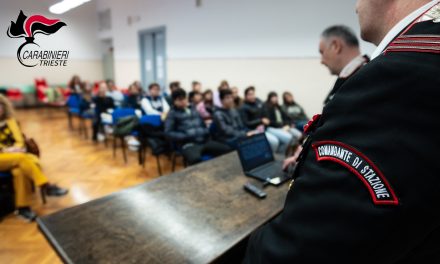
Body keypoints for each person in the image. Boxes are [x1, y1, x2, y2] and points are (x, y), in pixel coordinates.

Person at [244, 0, 440, 263]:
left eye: (322, 51)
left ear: (335, 46)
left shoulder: (396, 75)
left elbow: (303, 249)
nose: (355, 5)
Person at [0, 95, 68, 221]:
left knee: (19, 171)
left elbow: (19, 140)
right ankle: (45, 186)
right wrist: (6, 149)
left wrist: (17, 147)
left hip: (15, 155)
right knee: (22, 158)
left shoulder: (11, 121)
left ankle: (22, 208)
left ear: (4, 107)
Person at [164, 88, 231, 165]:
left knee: (228, 150)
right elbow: (168, 133)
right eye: (180, 99)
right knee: (196, 160)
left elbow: (202, 123)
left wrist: (205, 131)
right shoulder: (172, 114)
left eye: (184, 98)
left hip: (204, 140)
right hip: (189, 144)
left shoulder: (193, 108)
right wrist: (186, 135)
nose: (183, 101)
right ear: (174, 101)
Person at [319, 25, 370, 105]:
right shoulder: (356, 77)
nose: (321, 61)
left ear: (335, 46)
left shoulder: (365, 80)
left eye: (322, 52)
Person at [239, 86, 283, 153]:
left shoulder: (258, 101)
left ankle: (278, 155)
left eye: (253, 94)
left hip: (265, 127)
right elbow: (246, 123)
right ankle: (270, 156)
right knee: (275, 142)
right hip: (254, 130)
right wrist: (261, 120)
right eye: (249, 94)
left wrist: (266, 119)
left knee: (287, 138)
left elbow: (265, 111)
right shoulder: (243, 107)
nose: (252, 96)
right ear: (245, 96)